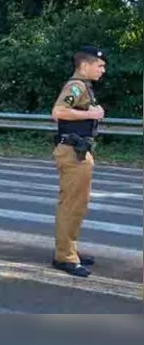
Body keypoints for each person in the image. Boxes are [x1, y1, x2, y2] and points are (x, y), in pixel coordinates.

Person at [50, 45, 107, 278]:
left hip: (79, 151)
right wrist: (90, 114)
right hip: (72, 152)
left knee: (78, 205)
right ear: (85, 65)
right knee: (71, 205)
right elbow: (59, 111)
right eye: (100, 65)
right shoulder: (76, 85)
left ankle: (69, 250)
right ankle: (64, 257)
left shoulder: (84, 87)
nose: (103, 70)